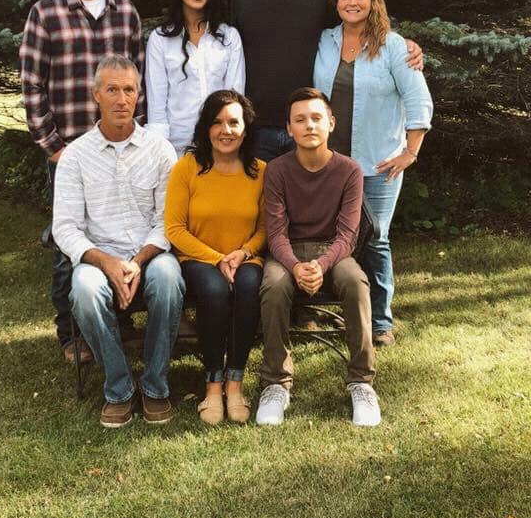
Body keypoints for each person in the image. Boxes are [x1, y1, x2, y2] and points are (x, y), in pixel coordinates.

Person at [19, 0, 145, 363]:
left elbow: (137, 82)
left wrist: (138, 139)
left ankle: (122, 315)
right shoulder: (47, 12)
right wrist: (53, 146)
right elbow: (32, 86)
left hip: (122, 151)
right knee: (67, 242)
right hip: (71, 152)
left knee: (122, 233)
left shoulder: (125, 12)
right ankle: (71, 332)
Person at [52, 56, 184, 428]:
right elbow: (65, 228)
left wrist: (137, 262)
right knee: (83, 290)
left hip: (150, 254)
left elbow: (167, 222)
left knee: (170, 280)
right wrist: (107, 263)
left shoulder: (160, 150)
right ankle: (119, 387)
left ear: (138, 95)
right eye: (112, 89)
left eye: (129, 90)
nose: (121, 99)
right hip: (98, 258)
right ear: (96, 95)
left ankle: (156, 386)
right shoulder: (75, 156)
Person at [231, 0, 423, 162]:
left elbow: (353, 29)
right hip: (256, 129)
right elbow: (228, 51)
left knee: (307, 201)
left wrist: (401, 44)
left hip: (307, 128)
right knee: (260, 202)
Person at [314, 0, 433, 347]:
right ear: (336, 3)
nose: (352, 2)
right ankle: (330, 309)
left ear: (373, 1)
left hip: (377, 164)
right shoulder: (325, 40)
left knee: (375, 239)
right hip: (330, 162)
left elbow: (418, 99)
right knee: (332, 237)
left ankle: (380, 323)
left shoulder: (394, 47)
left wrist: (410, 152)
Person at [256, 88, 380, 428]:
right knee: (274, 285)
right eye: (300, 120)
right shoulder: (277, 170)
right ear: (290, 128)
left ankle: (361, 382)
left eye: (316, 118)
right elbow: (276, 233)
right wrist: (295, 266)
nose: (309, 125)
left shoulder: (349, 171)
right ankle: (276, 384)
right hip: (288, 252)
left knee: (356, 282)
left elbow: (348, 236)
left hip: (333, 252)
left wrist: (321, 265)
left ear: (330, 123)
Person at [164, 90, 266, 425]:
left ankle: (234, 383)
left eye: (234, 122)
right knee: (213, 290)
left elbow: (266, 228)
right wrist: (216, 258)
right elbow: (174, 228)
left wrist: (242, 253)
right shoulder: (187, 168)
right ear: (206, 128)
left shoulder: (259, 171)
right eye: (217, 122)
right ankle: (212, 384)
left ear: (245, 128)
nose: (226, 130)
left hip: (244, 258)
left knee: (250, 287)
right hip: (197, 258)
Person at [146, 0, 244, 154]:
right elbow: (157, 108)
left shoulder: (229, 37)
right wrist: (161, 155)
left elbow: (235, 101)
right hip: (174, 151)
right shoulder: (160, 40)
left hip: (219, 148)